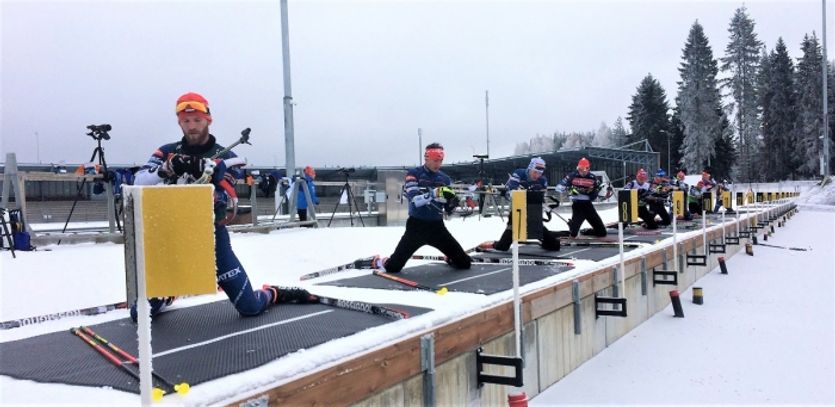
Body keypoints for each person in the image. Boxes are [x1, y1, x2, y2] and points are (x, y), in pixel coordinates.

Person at [130, 92, 316, 321]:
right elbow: (137, 181)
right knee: (139, 315)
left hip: (211, 238)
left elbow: (229, 180)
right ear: (179, 122)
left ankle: (272, 293)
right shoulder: (167, 150)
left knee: (249, 307)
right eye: (186, 121)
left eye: (197, 120)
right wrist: (166, 169)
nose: (192, 127)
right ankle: (169, 293)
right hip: (173, 239)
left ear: (208, 120)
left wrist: (212, 171)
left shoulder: (227, 155)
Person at [371, 143, 472, 273]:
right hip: (416, 227)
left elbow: (448, 210)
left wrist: (452, 203)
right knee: (393, 268)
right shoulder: (414, 174)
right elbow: (415, 200)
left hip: (437, 227)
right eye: (435, 160)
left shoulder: (445, 179)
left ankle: (450, 257)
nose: (438, 164)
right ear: (427, 158)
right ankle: (379, 261)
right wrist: (435, 193)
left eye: (440, 161)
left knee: (464, 263)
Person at [478, 157, 560, 251]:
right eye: (535, 172)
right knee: (503, 246)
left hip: (533, 215)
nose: (537, 175)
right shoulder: (519, 174)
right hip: (518, 213)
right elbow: (509, 192)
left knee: (554, 246)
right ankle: (491, 244)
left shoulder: (542, 180)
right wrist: (514, 193)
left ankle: (546, 239)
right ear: (530, 168)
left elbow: (542, 197)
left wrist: (544, 205)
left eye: (540, 173)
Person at [554, 157, 607, 238]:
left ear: (588, 169)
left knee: (602, 233)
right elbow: (558, 187)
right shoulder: (572, 176)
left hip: (588, 205)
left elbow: (601, 192)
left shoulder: (593, 177)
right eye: (581, 169)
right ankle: (572, 226)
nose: (583, 172)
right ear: (578, 168)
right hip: (577, 205)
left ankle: (585, 231)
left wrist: (593, 192)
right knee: (573, 234)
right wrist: (570, 189)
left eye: (585, 170)